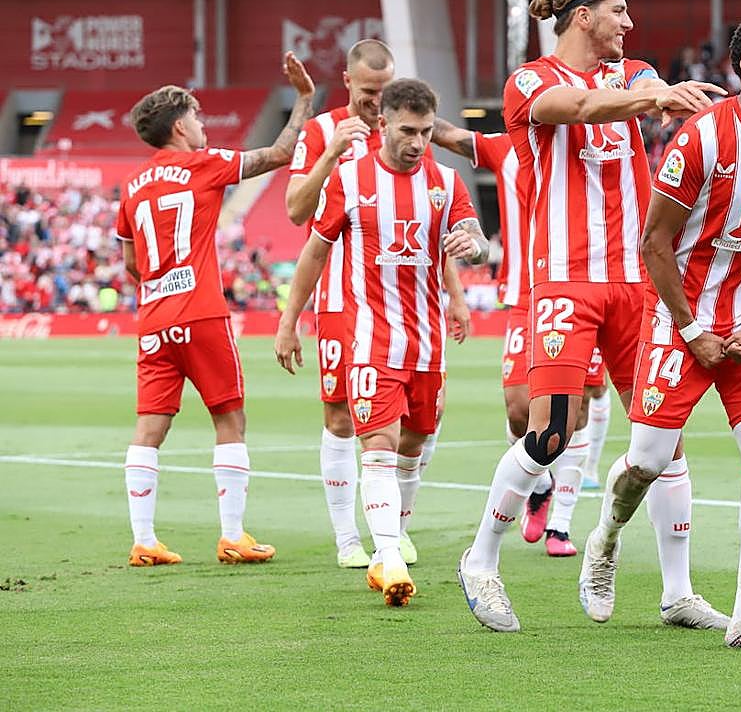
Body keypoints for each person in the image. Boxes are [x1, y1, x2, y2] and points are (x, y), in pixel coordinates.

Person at [457, 0, 727, 632]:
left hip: (636, 286)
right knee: (550, 433)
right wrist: (654, 100)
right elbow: (571, 110)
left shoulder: (635, 72)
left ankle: (677, 592)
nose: (628, 23)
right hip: (565, 282)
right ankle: (481, 562)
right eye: (617, 11)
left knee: (665, 441)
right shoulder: (530, 81)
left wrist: (658, 93)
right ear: (583, 17)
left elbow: (642, 87)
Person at [579, 12, 741, 653]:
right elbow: (654, 243)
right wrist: (691, 328)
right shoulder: (702, 139)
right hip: (679, 325)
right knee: (650, 462)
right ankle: (604, 541)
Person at [275, 79, 489, 608]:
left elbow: (476, 241)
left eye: (424, 132)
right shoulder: (350, 178)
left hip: (427, 344)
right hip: (370, 338)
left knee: (415, 446)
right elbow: (314, 253)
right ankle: (386, 554)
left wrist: (474, 247)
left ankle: (394, 534)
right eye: (407, 131)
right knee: (379, 446)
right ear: (383, 124)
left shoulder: (445, 183)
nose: (417, 142)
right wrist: (288, 320)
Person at [117, 52, 314, 567]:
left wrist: (159, 284)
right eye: (198, 118)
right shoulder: (204, 165)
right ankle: (233, 536)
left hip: (153, 320)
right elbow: (277, 154)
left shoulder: (131, 187)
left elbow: (131, 262)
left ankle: (144, 540)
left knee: (149, 428)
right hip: (202, 312)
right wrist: (304, 99)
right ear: (180, 126)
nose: (203, 127)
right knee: (230, 418)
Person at [430, 120, 607, 558]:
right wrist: (391, 107)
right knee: (517, 408)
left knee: (579, 408)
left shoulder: (590, 143)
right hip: (526, 295)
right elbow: (449, 134)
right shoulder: (502, 147)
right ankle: (541, 484)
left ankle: (561, 527)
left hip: (584, 288)